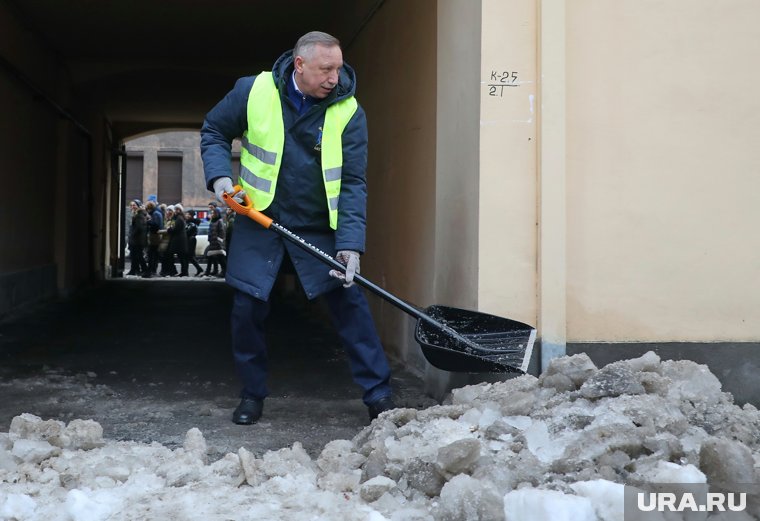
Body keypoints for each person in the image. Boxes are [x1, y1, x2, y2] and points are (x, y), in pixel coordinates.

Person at [200, 30, 395, 425]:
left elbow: (354, 183)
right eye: (326, 69)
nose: (334, 79)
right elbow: (214, 131)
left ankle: (379, 395)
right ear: (300, 64)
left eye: (339, 69)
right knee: (247, 309)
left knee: (349, 304)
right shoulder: (253, 91)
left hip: (317, 225)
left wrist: (350, 245)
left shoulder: (348, 111)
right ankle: (252, 395)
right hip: (259, 217)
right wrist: (220, 177)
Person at [126, 199, 148, 276]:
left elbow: (139, 228)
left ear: (138, 206)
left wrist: (132, 234)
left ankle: (145, 270)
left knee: (138, 256)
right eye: (131, 205)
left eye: (134, 205)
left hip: (137, 240)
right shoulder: (136, 214)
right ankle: (134, 270)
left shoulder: (139, 215)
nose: (132, 207)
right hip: (136, 239)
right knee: (134, 256)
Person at [204, 207, 227, 277]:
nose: (212, 214)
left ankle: (225, 272)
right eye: (211, 213)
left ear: (217, 214)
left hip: (217, 243)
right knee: (210, 257)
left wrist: (219, 240)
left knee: (221, 258)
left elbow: (222, 232)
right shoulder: (212, 221)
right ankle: (207, 272)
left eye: (213, 213)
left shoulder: (219, 221)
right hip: (212, 242)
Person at [145, 200, 163, 277]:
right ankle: (153, 270)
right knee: (154, 254)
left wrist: (148, 221)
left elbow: (155, 224)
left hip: (155, 236)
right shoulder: (157, 213)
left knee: (152, 254)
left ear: (149, 208)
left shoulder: (155, 214)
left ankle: (152, 270)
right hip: (156, 235)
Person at [185, 210, 204, 276]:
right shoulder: (188, 222)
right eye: (186, 214)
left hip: (191, 240)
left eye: (188, 214)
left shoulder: (192, 224)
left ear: (192, 215)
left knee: (189, 256)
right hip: (189, 240)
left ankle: (199, 269)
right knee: (188, 257)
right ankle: (187, 272)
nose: (186, 215)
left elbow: (187, 232)